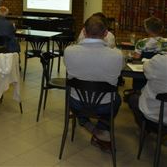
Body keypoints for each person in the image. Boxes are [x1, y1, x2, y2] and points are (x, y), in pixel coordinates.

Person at [64, 16, 124, 151]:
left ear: (84, 32)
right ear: (105, 34)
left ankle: (88, 125)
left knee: (78, 104)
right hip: (105, 106)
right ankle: (101, 130)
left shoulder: (69, 51)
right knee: (117, 100)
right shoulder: (117, 55)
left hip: (76, 103)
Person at [128, 54, 167, 126]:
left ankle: (147, 128)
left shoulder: (159, 61)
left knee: (133, 98)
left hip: (154, 112)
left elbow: (146, 68)